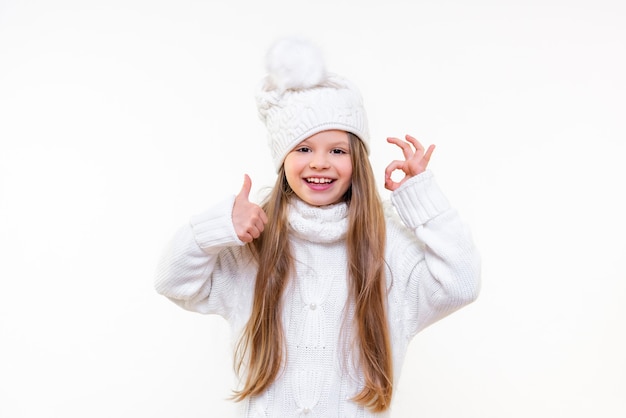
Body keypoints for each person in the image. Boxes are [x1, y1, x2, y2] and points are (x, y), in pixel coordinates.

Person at [155, 37, 480, 418]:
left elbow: (461, 283)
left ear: (356, 160)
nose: (320, 163)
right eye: (304, 148)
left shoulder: (389, 245)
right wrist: (217, 227)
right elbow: (173, 282)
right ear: (283, 158)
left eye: (338, 150)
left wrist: (422, 199)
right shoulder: (255, 245)